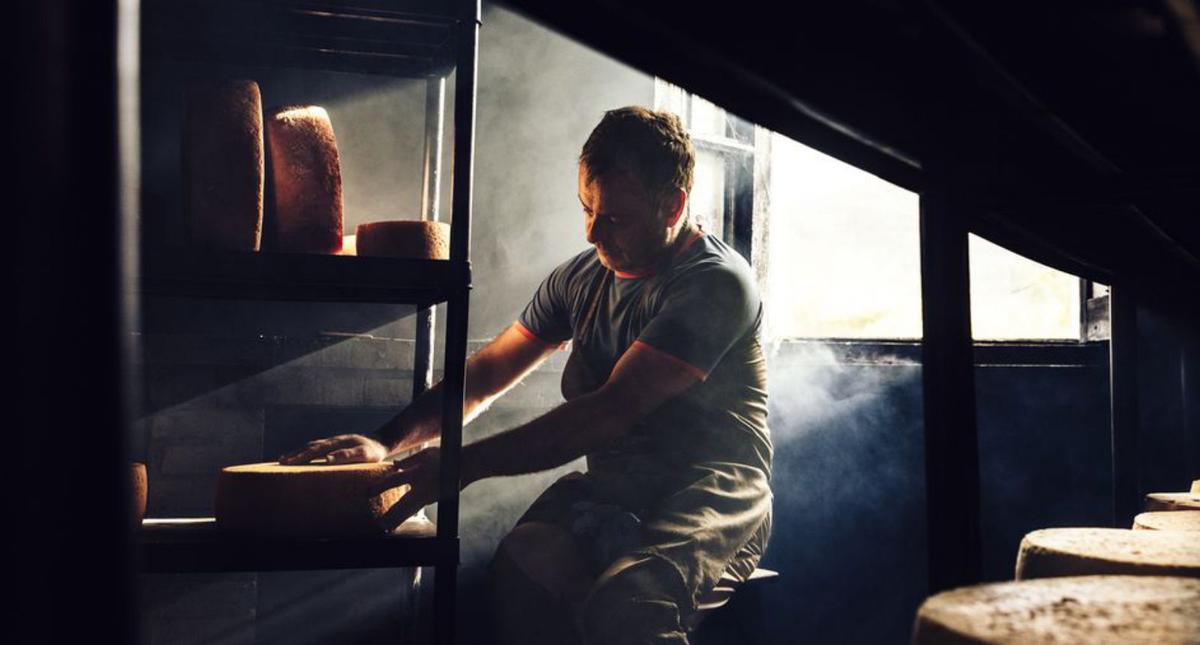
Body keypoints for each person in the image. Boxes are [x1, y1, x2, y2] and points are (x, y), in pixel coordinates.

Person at [280, 106, 772, 644]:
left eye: (614, 218)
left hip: (710, 491)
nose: (591, 233)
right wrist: (384, 442)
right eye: (585, 208)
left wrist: (461, 466)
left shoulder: (716, 284)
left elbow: (608, 412)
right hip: (617, 490)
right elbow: (489, 372)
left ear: (673, 205)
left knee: (629, 606)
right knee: (521, 568)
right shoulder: (580, 279)